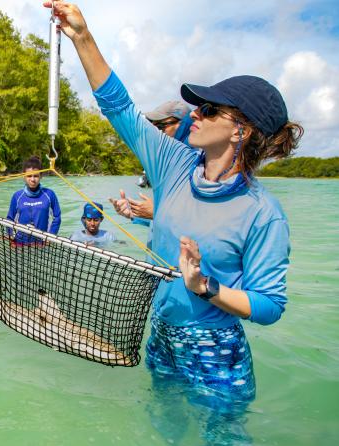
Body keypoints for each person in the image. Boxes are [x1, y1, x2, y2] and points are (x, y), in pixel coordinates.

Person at [47, 1, 303, 411]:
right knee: (164, 424)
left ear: (241, 130)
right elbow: (120, 110)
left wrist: (205, 287)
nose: (195, 114)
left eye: (209, 109)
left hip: (215, 348)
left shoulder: (263, 213)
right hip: (162, 331)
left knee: (221, 439)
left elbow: (270, 306)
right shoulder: (173, 164)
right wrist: (82, 36)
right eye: (199, 106)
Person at [110, 100, 193, 225]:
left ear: (184, 124)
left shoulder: (198, 161)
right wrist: (134, 214)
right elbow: (162, 222)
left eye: (161, 126)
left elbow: (201, 220)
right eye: (154, 127)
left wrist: (157, 212)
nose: (157, 132)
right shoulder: (166, 161)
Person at [6, 156, 61, 245]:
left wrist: (51, 237)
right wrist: (10, 236)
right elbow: (9, 218)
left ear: (41, 176)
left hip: (42, 244)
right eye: (29, 176)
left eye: (36, 176)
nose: (32, 179)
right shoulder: (17, 196)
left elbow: (57, 217)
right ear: (24, 176)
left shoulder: (49, 194)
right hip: (20, 244)